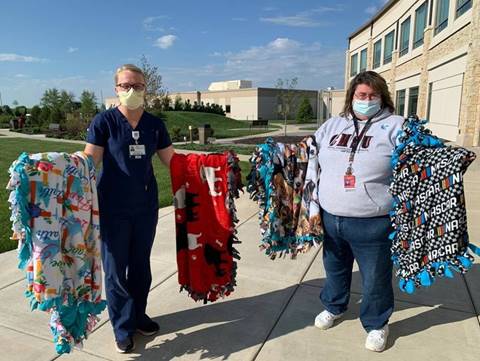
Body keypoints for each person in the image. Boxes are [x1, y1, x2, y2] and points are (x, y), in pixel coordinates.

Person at [84, 64, 174, 353]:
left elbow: (172, 161)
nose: (131, 91)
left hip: (145, 207)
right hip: (112, 209)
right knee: (114, 270)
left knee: (140, 267)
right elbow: (89, 161)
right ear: (116, 89)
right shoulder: (104, 122)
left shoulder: (154, 125)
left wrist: (209, 167)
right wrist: (60, 167)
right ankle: (122, 326)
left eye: (137, 86)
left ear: (146, 89)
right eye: (126, 85)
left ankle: (138, 316)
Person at [313, 71, 404, 352]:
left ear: (382, 97)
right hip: (332, 218)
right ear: (352, 97)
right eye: (361, 95)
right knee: (335, 269)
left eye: (372, 96)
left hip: (373, 221)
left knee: (375, 277)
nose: (366, 100)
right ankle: (334, 305)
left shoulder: (397, 126)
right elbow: (310, 157)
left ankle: (377, 323)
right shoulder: (332, 125)